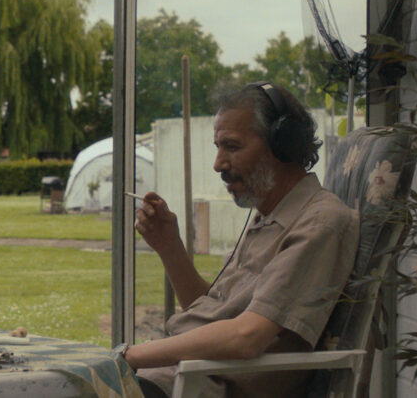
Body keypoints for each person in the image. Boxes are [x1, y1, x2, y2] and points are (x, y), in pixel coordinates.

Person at [126, 82, 358, 397]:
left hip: (196, 385)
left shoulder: (320, 222)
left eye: (232, 147)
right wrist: (170, 247)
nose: (218, 164)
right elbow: (214, 312)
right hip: (175, 378)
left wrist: (129, 356)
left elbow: (248, 337)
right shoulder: (268, 215)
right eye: (218, 147)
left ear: (282, 144)